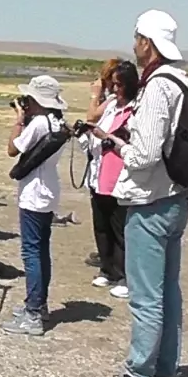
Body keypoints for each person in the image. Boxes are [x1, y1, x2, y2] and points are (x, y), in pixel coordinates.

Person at [90, 9, 188, 377]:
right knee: (168, 293)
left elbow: (145, 154)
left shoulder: (157, 87)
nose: (134, 45)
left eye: (136, 38)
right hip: (175, 197)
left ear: (147, 42)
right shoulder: (183, 81)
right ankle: (165, 376)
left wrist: (117, 144)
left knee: (146, 298)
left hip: (150, 201)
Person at [1, 76, 68, 336]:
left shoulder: (39, 122)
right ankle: (38, 305)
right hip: (48, 189)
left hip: (34, 193)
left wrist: (19, 119)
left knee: (31, 252)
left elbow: (12, 149)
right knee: (41, 250)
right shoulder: (56, 121)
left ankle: (33, 313)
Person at [78, 61, 138, 299]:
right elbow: (96, 124)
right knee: (101, 225)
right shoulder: (112, 105)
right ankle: (107, 268)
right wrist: (87, 134)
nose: (114, 90)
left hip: (121, 175)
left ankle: (126, 275)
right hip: (99, 172)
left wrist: (108, 137)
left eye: (119, 85)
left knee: (121, 228)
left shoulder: (136, 109)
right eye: (112, 84)